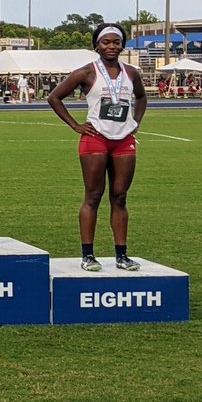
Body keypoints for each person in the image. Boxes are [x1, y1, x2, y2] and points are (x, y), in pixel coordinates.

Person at [47, 23, 147, 272]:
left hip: (124, 139)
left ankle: (122, 255)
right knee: (93, 196)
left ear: (122, 45)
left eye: (116, 42)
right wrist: (74, 125)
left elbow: (142, 97)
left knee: (120, 196)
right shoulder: (86, 73)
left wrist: (136, 121)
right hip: (95, 138)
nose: (111, 46)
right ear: (97, 46)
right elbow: (54, 97)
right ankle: (88, 255)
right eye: (106, 42)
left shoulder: (132, 73)